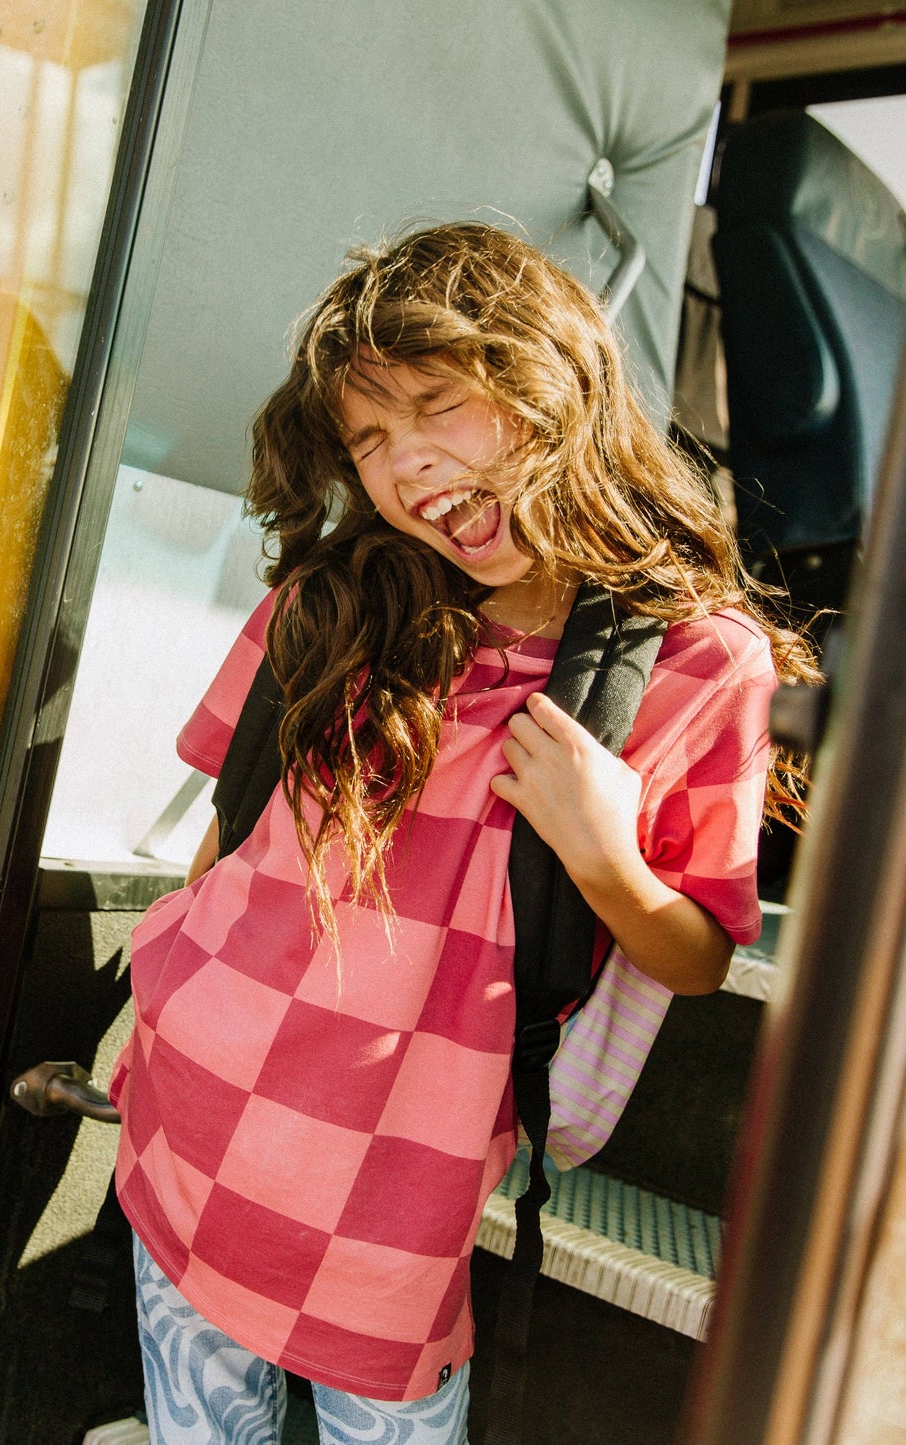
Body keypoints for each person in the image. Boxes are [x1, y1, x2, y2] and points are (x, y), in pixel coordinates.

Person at [107, 222, 815, 1444]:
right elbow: (223, 844)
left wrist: (602, 849)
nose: (405, 465)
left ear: (552, 383)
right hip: (190, 1112)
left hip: (397, 1198)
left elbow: (697, 954)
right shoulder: (328, 603)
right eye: (370, 437)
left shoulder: (696, 660)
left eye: (438, 403)